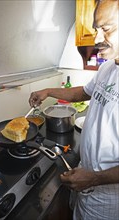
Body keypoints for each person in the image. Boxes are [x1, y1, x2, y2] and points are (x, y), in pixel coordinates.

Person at [29, 0, 119, 219]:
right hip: (83, 174)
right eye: (96, 29)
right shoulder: (108, 67)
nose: (97, 38)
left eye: (106, 28)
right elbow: (83, 93)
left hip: (107, 194)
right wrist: (49, 91)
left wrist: (94, 178)